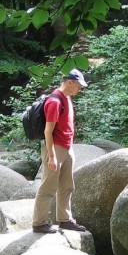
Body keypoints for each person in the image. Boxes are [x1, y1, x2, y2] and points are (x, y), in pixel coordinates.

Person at [32, 69, 89, 234]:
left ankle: (65, 219)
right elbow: (47, 131)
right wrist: (51, 156)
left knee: (67, 185)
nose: (80, 89)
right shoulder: (55, 101)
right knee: (48, 187)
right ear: (70, 82)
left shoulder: (67, 98)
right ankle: (39, 223)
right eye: (78, 86)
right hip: (55, 148)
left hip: (66, 146)